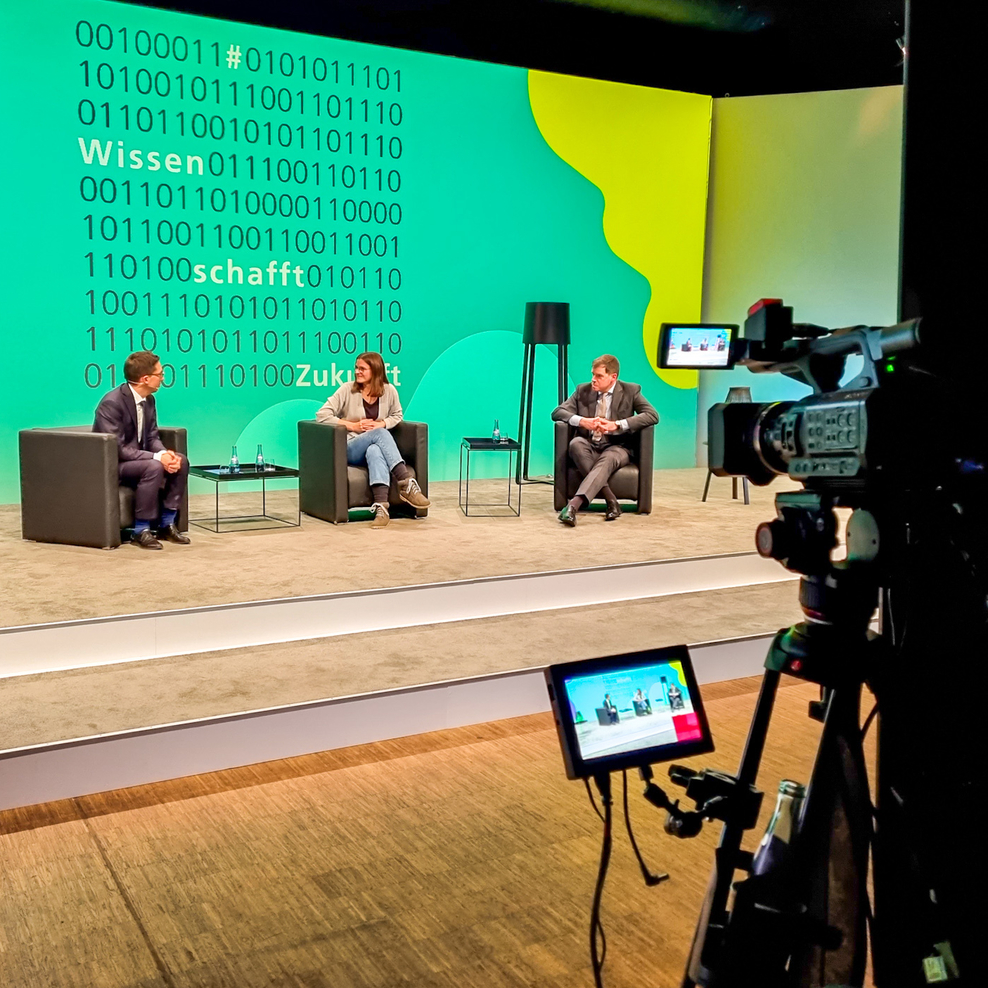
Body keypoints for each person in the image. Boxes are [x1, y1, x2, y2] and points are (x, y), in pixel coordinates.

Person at [315, 352, 429, 529]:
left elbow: (397, 415)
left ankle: (381, 508)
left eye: (362, 369)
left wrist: (383, 422)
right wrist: (353, 426)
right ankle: (405, 482)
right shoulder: (347, 389)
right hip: (350, 447)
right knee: (380, 433)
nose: (357, 372)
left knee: (375, 450)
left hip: (370, 448)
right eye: (356, 368)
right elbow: (322, 415)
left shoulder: (389, 391)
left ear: (375, 371)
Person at [93, 350, 190, 550]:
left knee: (181, 461)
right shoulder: (112, 403)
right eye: (160, 374)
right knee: (153, 467)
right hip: (114, 465)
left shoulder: (149, 400)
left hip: (139, 460)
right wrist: (157, 458)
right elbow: (117, 449)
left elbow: (152, 436)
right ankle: (141, 530)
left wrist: (164, 454)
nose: (163, 378)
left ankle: (167, 524)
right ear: (145, 379)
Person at [552, 354, 659, 526]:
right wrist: (583, 421)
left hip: (617, 447)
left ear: (613, 377)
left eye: (599, 376)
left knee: (608, 458)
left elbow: (652, 415)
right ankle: (612, 501)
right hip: (589, 444)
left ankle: (573, 506)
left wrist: (616, 425)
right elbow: (557, 412)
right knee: (575, 444)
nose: (594, 380)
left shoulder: (631, 391)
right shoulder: (582, 390)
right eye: (593, 375)